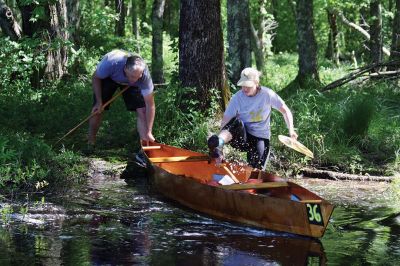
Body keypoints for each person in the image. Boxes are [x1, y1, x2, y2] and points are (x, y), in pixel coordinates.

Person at [208, 67, 298, 169]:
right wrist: (220, 148)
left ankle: (249, 179)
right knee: (236, 122)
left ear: (256, 83)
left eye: (248, 86)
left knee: (256, 169)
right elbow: (226, 121)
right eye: (243, 85)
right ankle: (218, 145)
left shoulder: (267, 94)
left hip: (260, 137)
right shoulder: (237, 98)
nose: (245, 88)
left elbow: (285, 111)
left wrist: (291, 130)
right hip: (242, 137)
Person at [87, 50, 155, 150]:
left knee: (142, 110)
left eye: (138, 76)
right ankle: (91, 142)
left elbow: (150, 105)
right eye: (132, 76)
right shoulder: (110, 63)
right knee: (98, 109)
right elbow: (96, 77)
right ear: (125, 69)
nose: (135, 79)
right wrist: (98, 101)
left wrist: (149, 131)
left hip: (130, 85)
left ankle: (145, 147)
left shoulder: (143, 76)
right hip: (110, 78)